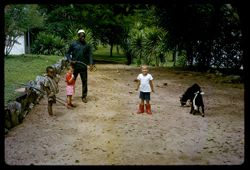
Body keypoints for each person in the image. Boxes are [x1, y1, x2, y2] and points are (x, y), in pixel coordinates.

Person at [65, 29, 94, 103]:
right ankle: (69, 96)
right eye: (81, 36)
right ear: (78, 36)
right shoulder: (73, 44)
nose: (82, 37)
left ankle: (84, 96)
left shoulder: (87, 46)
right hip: (74, 67)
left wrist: (91, 64)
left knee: (84, 82)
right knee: (71, 82)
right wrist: (70, 60)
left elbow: (90, 55)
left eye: (84, 36)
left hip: (83, 67)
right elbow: (67, 53)